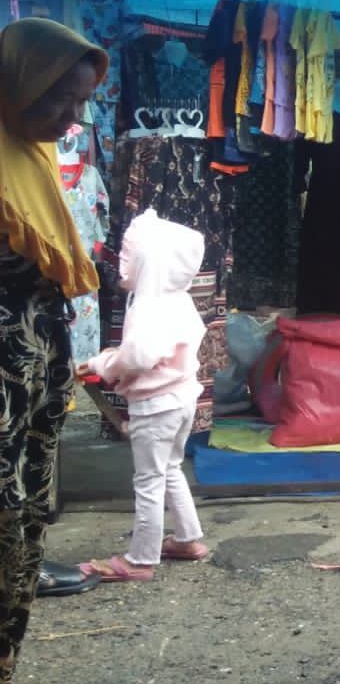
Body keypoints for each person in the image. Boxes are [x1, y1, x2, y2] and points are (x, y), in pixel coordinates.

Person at [0, 18, 109, 684]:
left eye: (79, 104)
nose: (70, 122)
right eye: (59, 102)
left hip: (26, 370)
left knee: (22, 524)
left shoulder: (26, 156)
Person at [77, 211, 209, 583]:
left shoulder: (149, 306)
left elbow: (137, 357)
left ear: (149, 261)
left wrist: (101, 364)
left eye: (129, 255)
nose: (123, 261)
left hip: (156, 406)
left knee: (148, 479)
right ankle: (187, 538)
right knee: (170, 469)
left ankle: (140, 559)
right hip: (181, 400)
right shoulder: (178, 299)